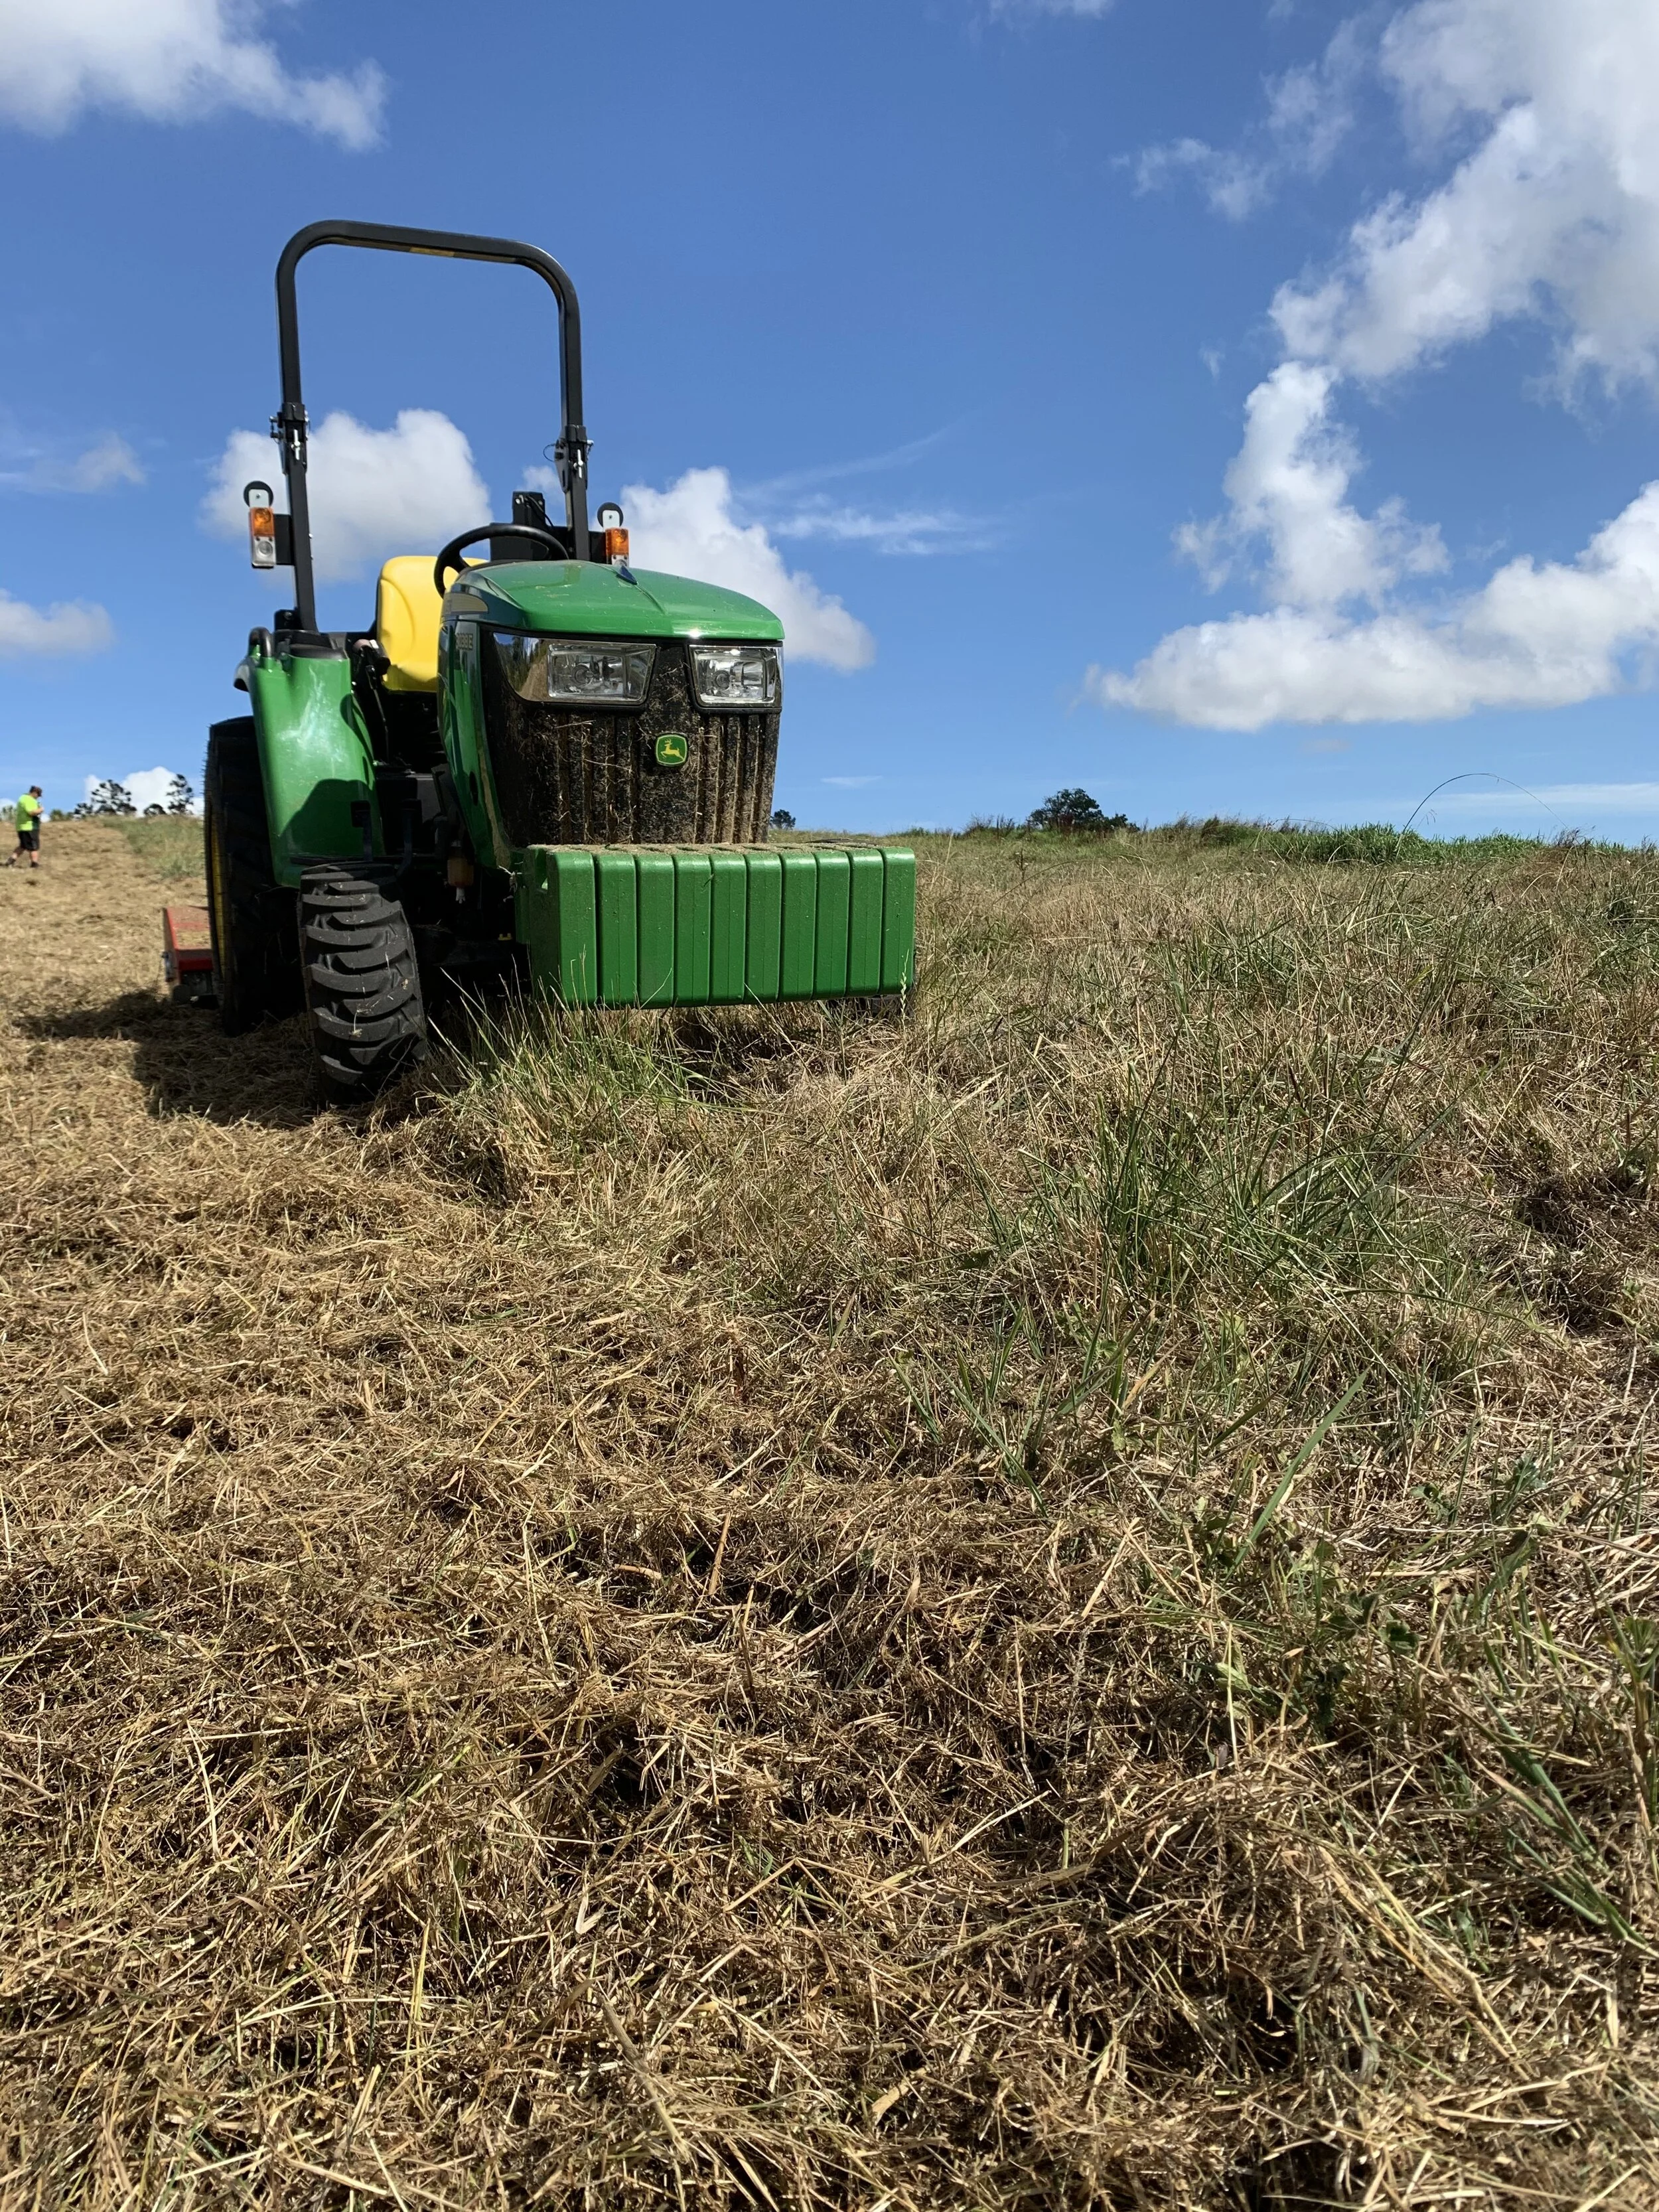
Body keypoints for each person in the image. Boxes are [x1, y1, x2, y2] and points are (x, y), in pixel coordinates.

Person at [5, 786, 42, 870]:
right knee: (34, 846)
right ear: (34, 793)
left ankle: (10, 861)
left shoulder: (22, 798)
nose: (38, 797)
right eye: (38, 795)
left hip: (21, 827)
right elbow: (31, 812)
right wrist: (40, 810)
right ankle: (34, 865)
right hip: (29, 827)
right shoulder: (29, 800)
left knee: (23, 846)